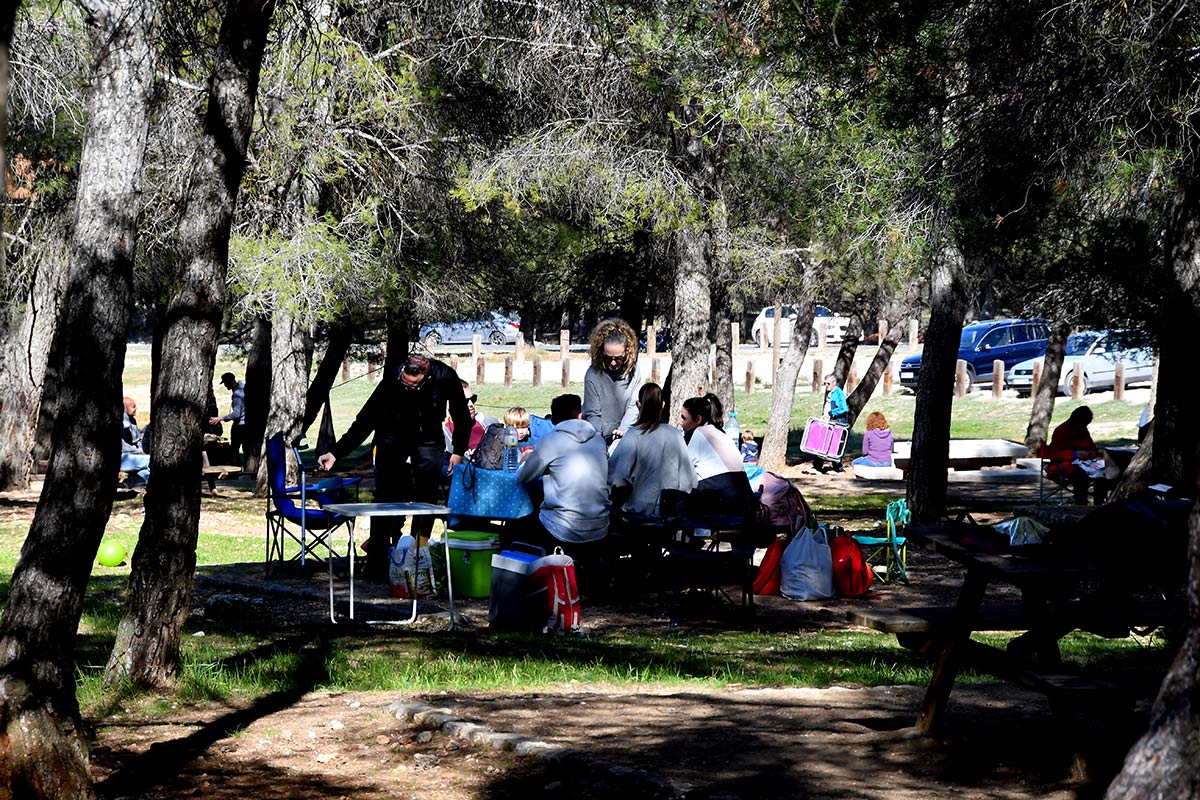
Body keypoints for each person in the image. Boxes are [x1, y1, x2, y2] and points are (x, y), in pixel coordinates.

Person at [318, 354, 472, 581]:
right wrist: (336, 452)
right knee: (385, 497)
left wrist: (458, 451)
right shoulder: (392, 376)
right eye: (404, 382)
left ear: (426, 376)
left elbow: (461, 416)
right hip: (391, 434)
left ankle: (418, 556)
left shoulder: (444, 376)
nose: (408, 387)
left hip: (428, 436)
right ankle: (377, 562)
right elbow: (366, 418)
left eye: (413, 385)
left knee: (426, 499)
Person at [516, 393, 610, 557]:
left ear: (553, 418)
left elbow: (523, 477)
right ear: (580, 414)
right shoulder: (599, 441)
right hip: (599, 524)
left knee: (519, 524)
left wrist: (526, 459)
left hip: (561, 527)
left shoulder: (550, 441)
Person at [608, 383, 696, 518]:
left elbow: (617, 476)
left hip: (637, 514)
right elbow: (689, 480)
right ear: (663, 405)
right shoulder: (675, 435)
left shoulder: (634, 435)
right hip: (668, 514)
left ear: (638, 404)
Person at [678, 395, 753, 518]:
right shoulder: (722, 433)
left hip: (721, 502)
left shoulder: (699, 433)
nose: (680, 422)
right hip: (743, 500)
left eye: (684, 418)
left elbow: (683, 472)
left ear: (698, 419)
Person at [583, 318, 642, 446]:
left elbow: (633, 407)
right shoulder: (593, 374)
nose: (613, 363)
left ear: (627, 352)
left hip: (625, 435)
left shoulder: (634, 372)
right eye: (608, 358)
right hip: (599, 436)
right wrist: (598, 438)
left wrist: (622, 430)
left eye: (618, 358)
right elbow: (592, 412)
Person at [1047, 405, 1106, 504]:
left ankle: (1098, 504)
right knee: (1081, 478)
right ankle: (1081, 505)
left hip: (1086, 463)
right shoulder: (1061, 431)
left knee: (1103, 475)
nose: (1084, 427)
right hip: (1064, 465)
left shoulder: (1083, 430)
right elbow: (1054, 454)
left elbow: (1092, 446)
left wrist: (1092, 453)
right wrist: (1074, 454)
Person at [805, 374, 849, 474]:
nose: (826, 385)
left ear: (834, 383)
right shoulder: (832, 392)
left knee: (834, 444)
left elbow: (843, 408)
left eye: (828, 383)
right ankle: (817, 466)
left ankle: (838, 468)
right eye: (825, 383)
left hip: (837, 421)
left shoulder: (838, 393)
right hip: (830, 421)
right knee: (823, 442)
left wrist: (831, 413)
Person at [210, 372, 247, 466]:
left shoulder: (237, 395)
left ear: (231, 381)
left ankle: (236, 470)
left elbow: (236, 414)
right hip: (246, 424)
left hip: (240, 426)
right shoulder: (243, 388)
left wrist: (221, 419)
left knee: (234, 449)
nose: (225, 386)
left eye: (226, 383)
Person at [120, 396, 150, 487]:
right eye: (133, 407)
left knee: (146, 472)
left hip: (134, 458)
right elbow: (125, 425)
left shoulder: (132, 420)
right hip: (123, 459)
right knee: (151, 460)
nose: (136, 408)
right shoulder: (122, 421)